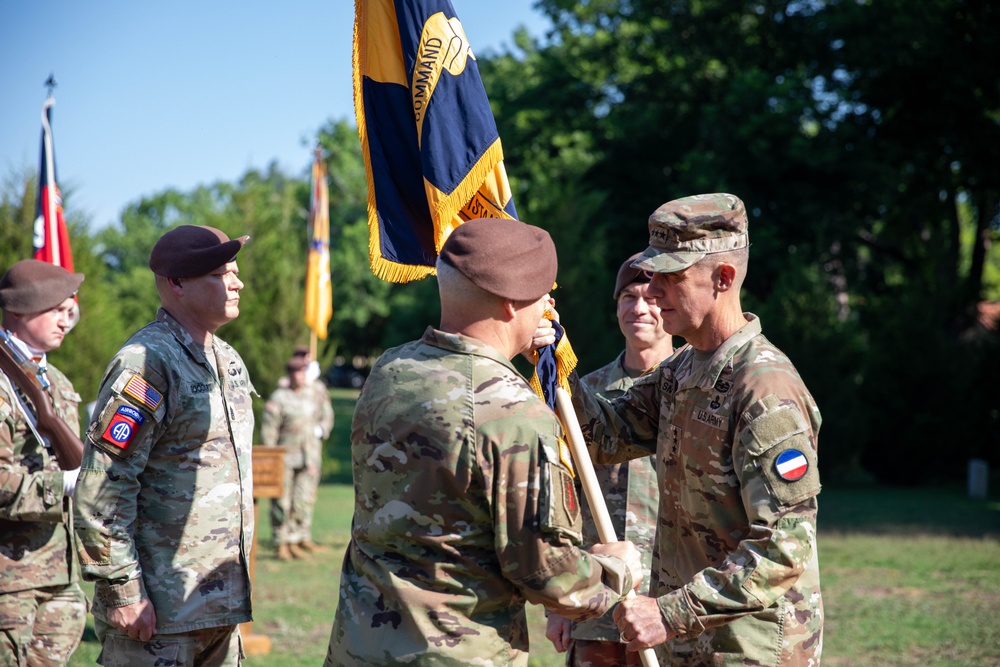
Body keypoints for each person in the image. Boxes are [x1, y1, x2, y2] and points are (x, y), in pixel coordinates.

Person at [325, 218, 645, 667]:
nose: (550, 307)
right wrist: (616, 570)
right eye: (543, 295)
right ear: (513, 305)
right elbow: (546, 573)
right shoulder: (513, 413)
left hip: (358, 647)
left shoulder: (389, 371)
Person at [560, 194, 824, 666]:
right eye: (650, 274)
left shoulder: (765, 389)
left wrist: (672, 612)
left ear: (723, 278)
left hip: (748, 646)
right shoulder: (680, 371)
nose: (653, 291)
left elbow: (785, 548)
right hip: (688, 641)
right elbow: (602, 435)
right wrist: (553, 359)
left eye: (671, 276)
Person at [73, 225, 256, 667]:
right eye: (220, 274)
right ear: (176, 283)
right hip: (159, 615)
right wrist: (122, 590)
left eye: (234, 270)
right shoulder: (146, 362)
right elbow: (103, 487)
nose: (237, 283)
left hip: (218, 605)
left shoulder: (226, 358)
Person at [545, 254, 676, 666]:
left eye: (652, 298)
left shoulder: (697, 389)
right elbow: (562, 491)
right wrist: (558, 602)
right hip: (598, 594)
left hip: (672, 599)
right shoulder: (583, 394)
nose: (639, 308)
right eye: (628, 297)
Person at [0, 260, 86, 666]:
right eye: (53, 309)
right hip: (10, 583)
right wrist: (64, 486)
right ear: (17, 310)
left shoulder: (60, 383)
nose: (65, 320)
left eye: (68, 310)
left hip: (60, 574)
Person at [260, 353, 334, 560]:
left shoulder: (312, 394)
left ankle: (294, 539)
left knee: (302, 500)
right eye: (296, 372)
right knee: (281, 503)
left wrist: (322, 430)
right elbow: (269, 431)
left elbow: (326, 414)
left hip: (309, 456)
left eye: (302, 372)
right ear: (289, 374)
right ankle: (280, 542)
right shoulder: (279, 397)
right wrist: (270, 457)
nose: (300, 376)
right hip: (284, 458)